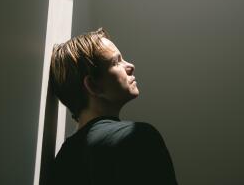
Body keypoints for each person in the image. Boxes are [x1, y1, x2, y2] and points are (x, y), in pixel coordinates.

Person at [48, 27, 178, 185]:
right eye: (116, 62)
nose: (130, 66)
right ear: (93, 86)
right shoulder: (138, 138)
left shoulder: (63, 159)